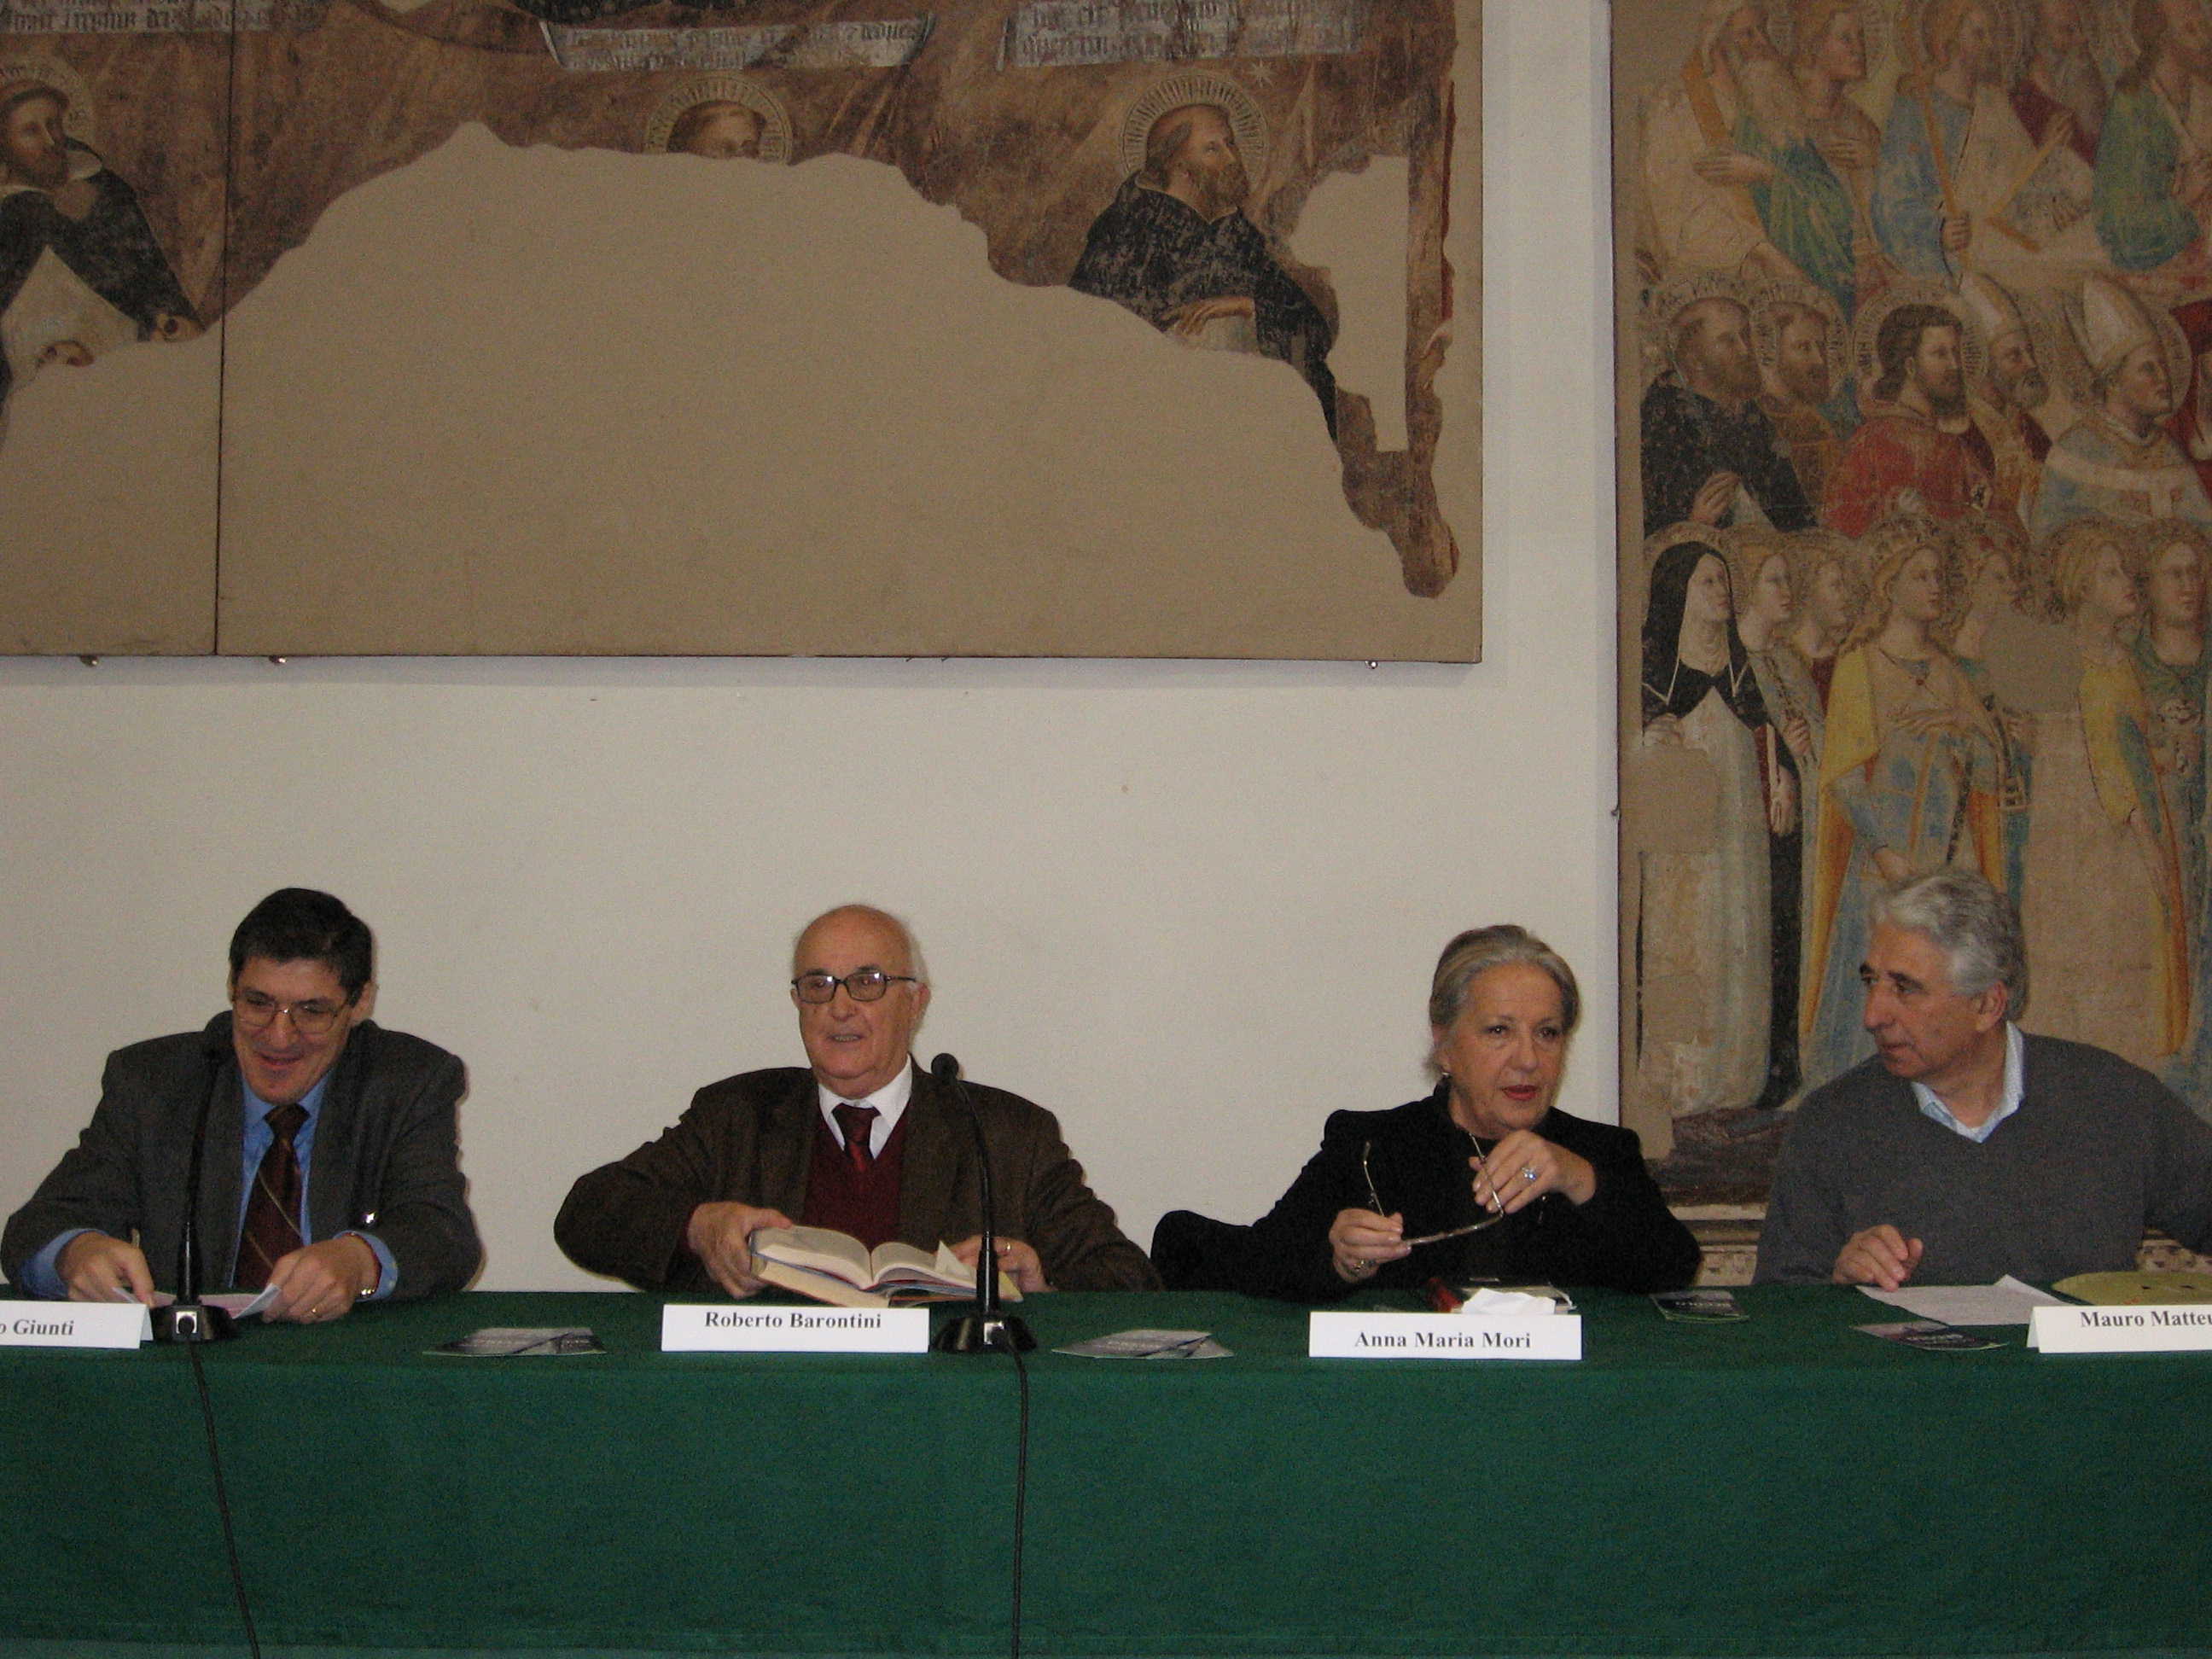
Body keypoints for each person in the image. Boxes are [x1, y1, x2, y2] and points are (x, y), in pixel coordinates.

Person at [555, 903, 1156, 1295]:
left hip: (946, 1409)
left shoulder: (1004, 1135)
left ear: (915, 1002)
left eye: (867, 983)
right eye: (817, 985)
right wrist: (697, 1226)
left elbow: (1129, 1281)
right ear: (797, 1003)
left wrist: (1041, 1284)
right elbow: (586, 1215)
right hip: (765, 1403)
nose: (839, 1007)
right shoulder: (737, 1117)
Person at [0, 888, 481, 1320]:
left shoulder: (407, 1081)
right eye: (258, 1004)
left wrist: (359, 1260)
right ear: (232, 987)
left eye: (312, 1011)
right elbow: (36, 1228)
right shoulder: (154, 1083)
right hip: (186, 1366)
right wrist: (75, 1254)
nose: (279, 1036)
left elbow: (443, 1235)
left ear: (359, 1004)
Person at [1755, 869, 2212, 1285]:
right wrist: (1838, 1285)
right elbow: (1778, 1311)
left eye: (1905, 988)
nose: (1873, 1015)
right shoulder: (1832, 1122)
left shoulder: (2115, 1101)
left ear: (1988, 1005)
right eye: (1871, 981)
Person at [1231, 926, 1699, 1300]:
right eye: (1499, 1031)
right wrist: (1341, 1263)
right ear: (1445, 1044)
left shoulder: (1600, 1153)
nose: (1528, 1059)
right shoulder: (1372, 1146)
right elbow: (1261, 1264)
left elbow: (1673, 1269)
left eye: (1548, 1033)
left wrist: (1578, 1179)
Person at [1068, 101, 1337, 434]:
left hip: (1246, 419)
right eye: (1212, 149)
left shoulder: (1236, 235)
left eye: (1230, 143)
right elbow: (1095, 347)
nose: (1232, 158)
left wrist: (1247, 306)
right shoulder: (1127, 230)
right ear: (1179, 165)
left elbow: (1314, 332)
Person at [0, 73, 199, 412]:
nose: (50, 140)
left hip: (130, 381)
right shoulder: (7, 218)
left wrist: (176, 323)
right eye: (31, 130)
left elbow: (154, 281)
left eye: (54, 125)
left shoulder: (106, 193)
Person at [2034, 276, 2212, 536]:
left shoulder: (2169, 451)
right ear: (2113, 382)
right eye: (2148, 368)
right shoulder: (2073, 451)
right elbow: (2050, 541)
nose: (2164, 378)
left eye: (2162, 365)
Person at [1823, 299, 2001, 537]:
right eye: (1940, 354)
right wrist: (1892, 512)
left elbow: (1986, 505)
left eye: (1956, 352)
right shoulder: (1870, 443)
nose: (1955, 365)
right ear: (1910, 365)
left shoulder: (1953, 447)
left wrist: (1977, 511)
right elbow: (1837, 523)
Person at [1643, 291, 1815, 534]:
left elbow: (1796, 519)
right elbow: (1642, 533)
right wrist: (1695, 524)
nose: (1745, 350)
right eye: (1728, 341)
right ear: (1694, 359)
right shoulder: (1661, 421)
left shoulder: (1751, 417)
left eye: (1745, 336)